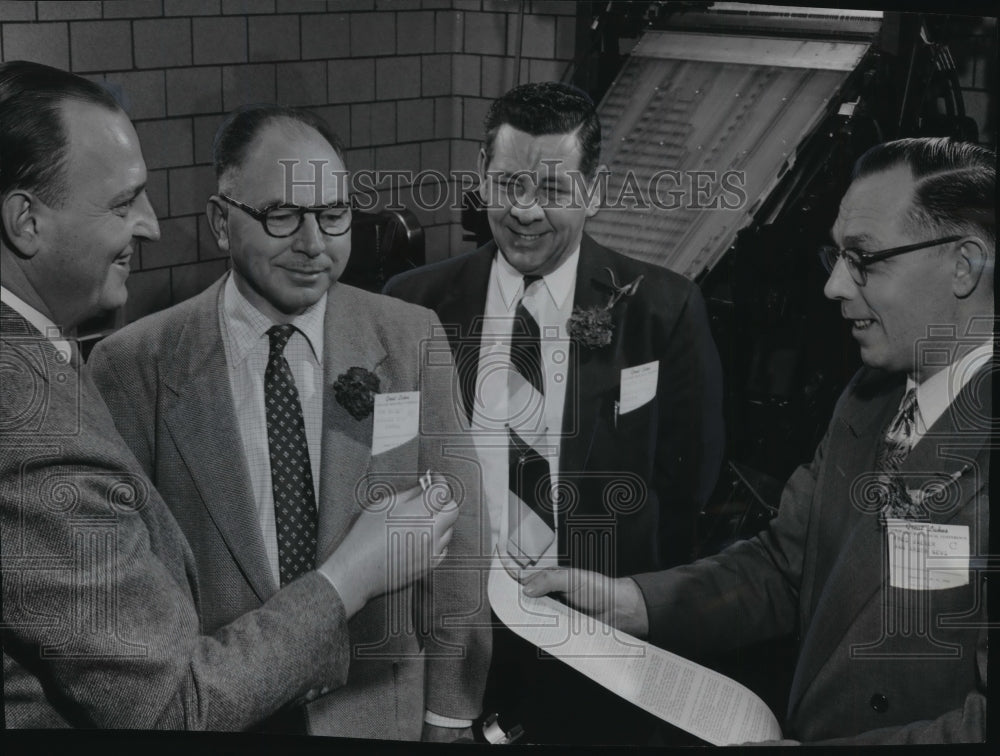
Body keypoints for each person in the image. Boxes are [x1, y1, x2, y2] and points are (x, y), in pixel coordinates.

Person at [0, 60, 459, 730]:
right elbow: (165, 702)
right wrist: (355, 570)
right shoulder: (109, 376)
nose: (152, 226)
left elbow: (460, 530)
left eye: (333, 214)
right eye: (124, 203)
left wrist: (451, 711)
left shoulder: (410, 334)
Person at [523, 136, 994, 744]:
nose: (835, 288)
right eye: (837, 257)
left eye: (866, 260)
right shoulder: (868, 397)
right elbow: (784, 566)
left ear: (965, 265)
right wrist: (632, 603)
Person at [384, 81, 725, 745]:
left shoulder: (664, 311)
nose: (526, 210)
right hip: (449, 637)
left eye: (555, 190)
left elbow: (692, 491)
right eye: (508, 183)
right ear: (481, 178)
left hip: (597, 648)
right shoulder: (413, 304)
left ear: (594, 190)